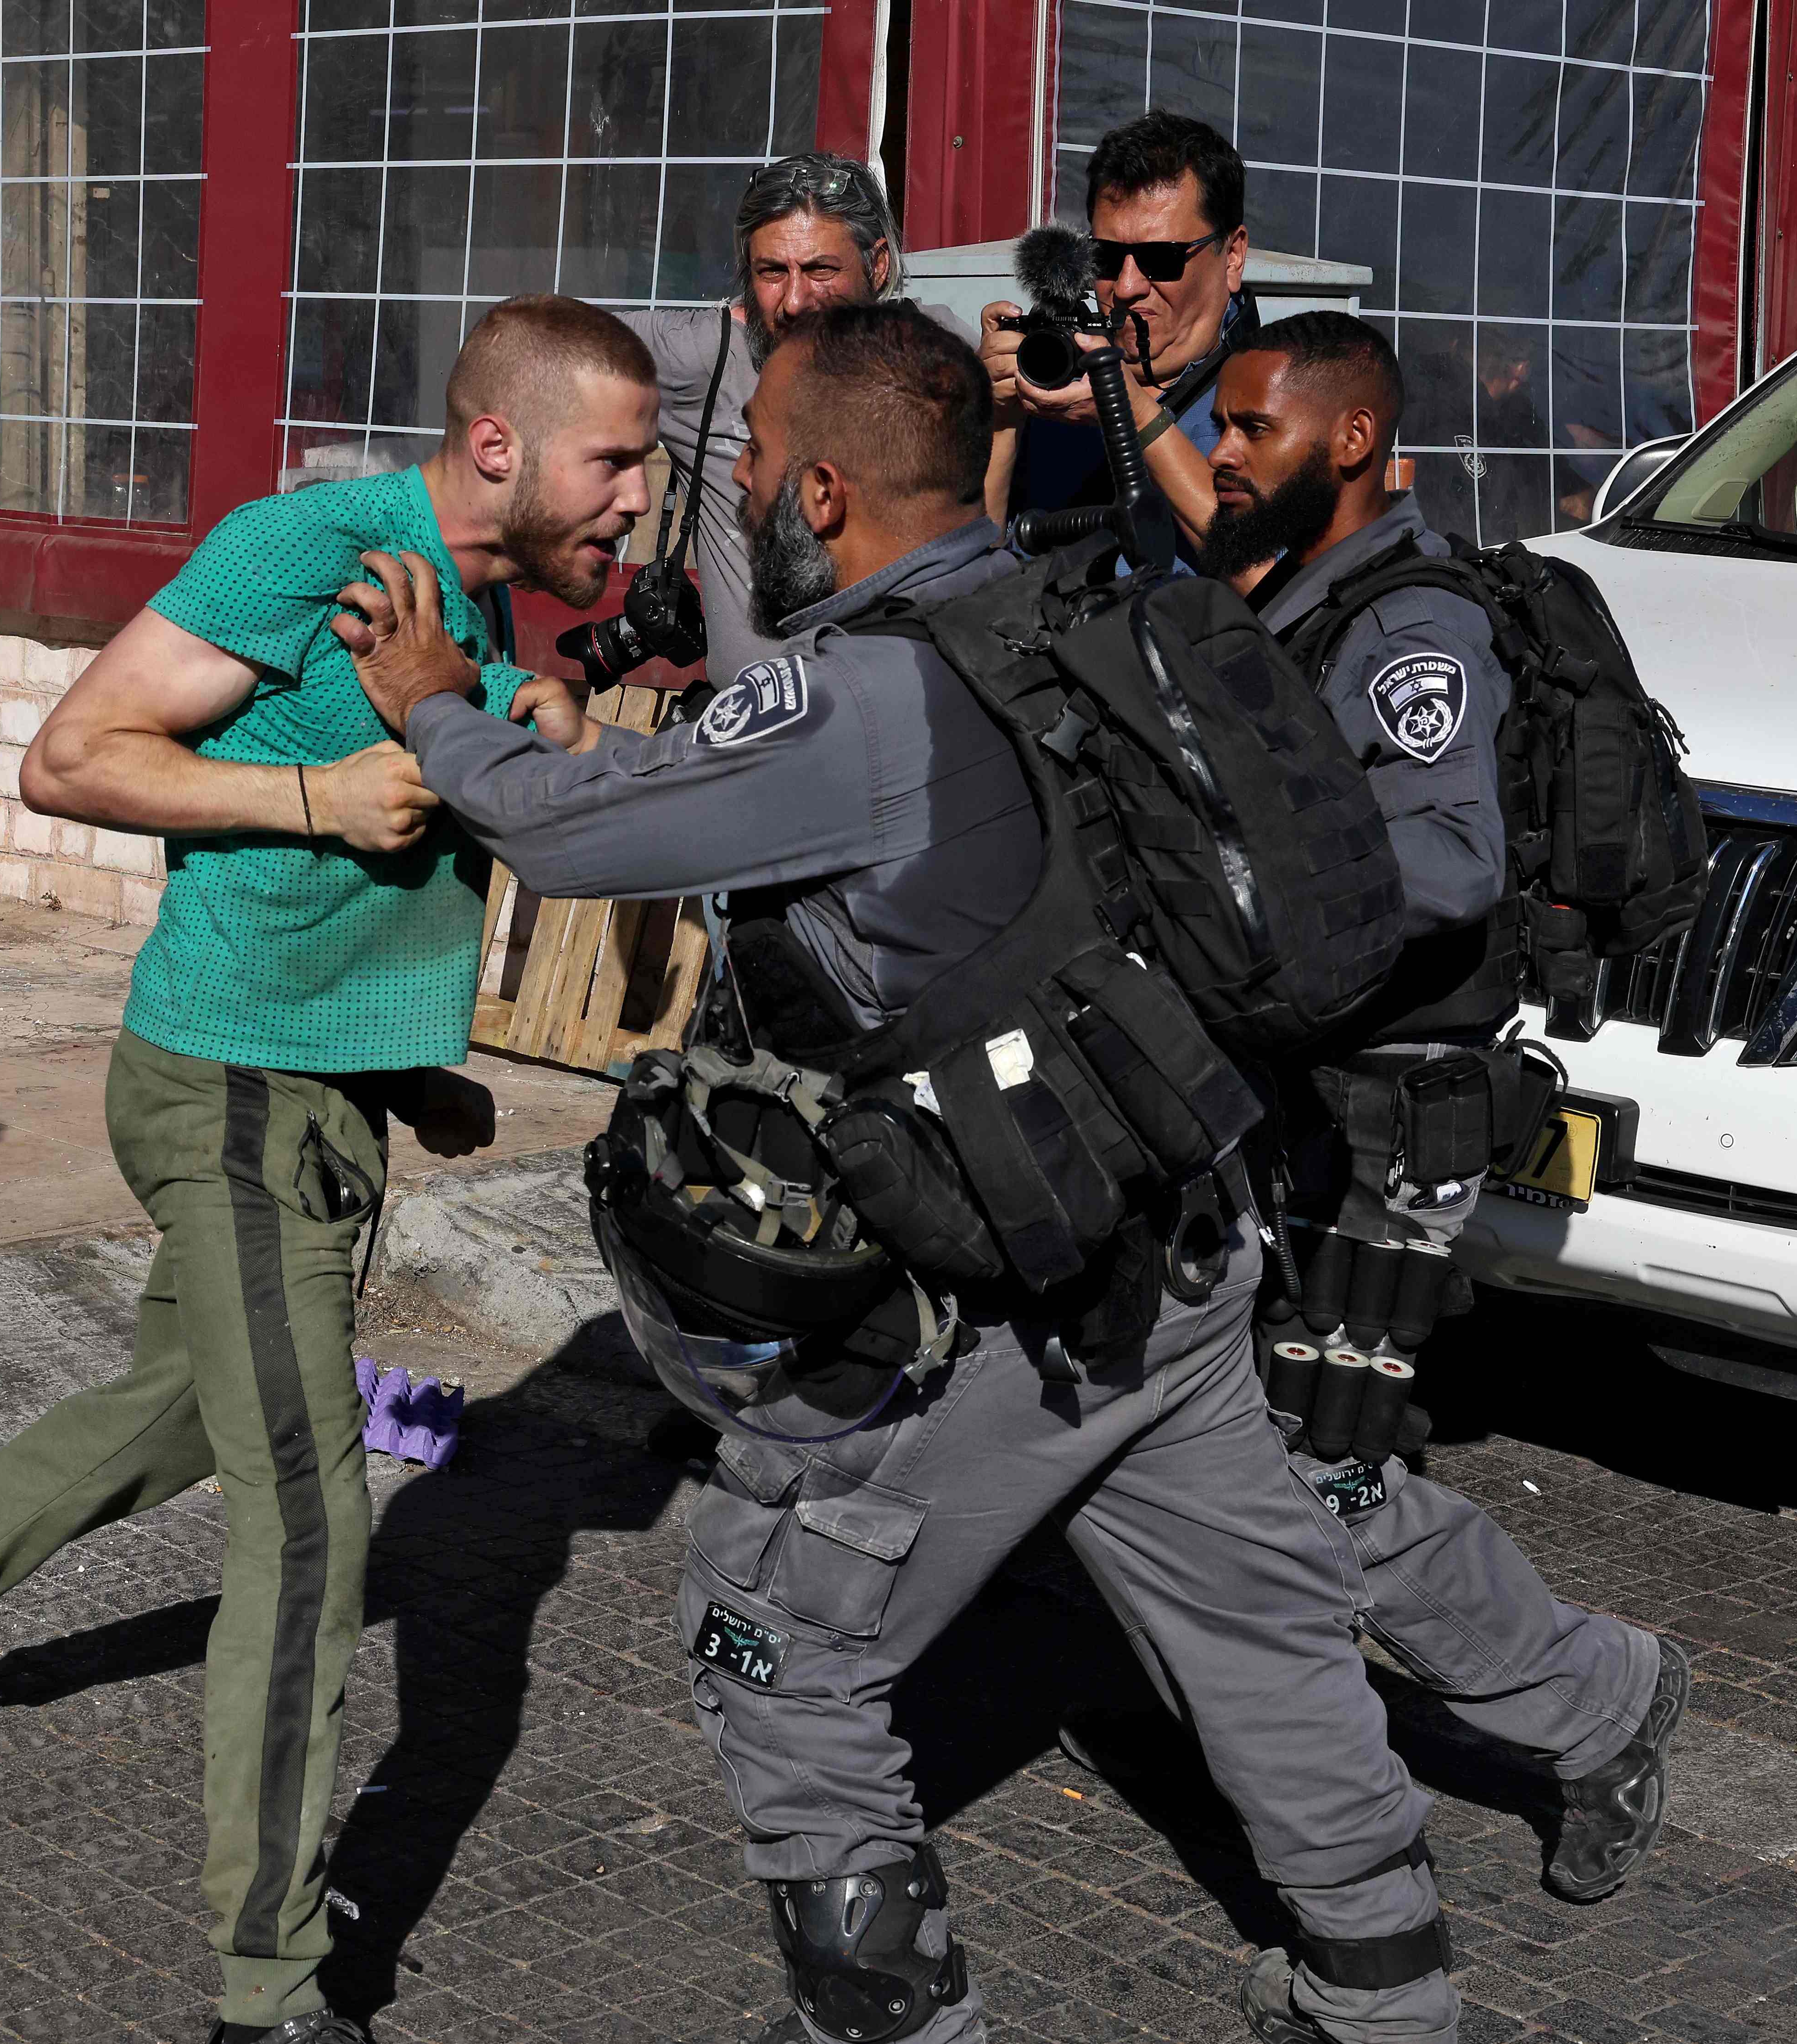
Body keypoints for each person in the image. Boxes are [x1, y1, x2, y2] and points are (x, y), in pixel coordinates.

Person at [331, 302, 1464, 2044]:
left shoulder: (857, 693)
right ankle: (1385, 1982)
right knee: (1259, 1625)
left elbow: (564, 830)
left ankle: (890, 2022)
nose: (745, 499)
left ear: (831, 494)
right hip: (1183, 1228)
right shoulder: (1079, 612)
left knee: (773, 1636)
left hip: (1013, 1285)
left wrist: (436, 705)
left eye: (761, 471)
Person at [0, 294, 657, 2044]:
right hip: (232, 1087)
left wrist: (413, 1068)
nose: (635, 494)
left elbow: (403, 832)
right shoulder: (309, 546)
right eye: (613, 458)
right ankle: (271, 1987)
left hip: (319, 1091)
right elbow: (74, 753)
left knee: (182, 1404)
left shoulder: (471, 596)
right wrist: (315, 801)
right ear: (498, 446)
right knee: (312, 1515)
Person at [1189, 310, 1686, 1900]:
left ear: (1342, 443)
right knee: (1224, 1438)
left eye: (1248, 427)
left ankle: (1597, 1698)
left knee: (1319, 1469)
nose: (1219, 453)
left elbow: (1449, 860)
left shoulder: (1410, 630)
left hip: (1390, 1117)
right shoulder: (1293, 594)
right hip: (1293, 1099)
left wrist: (1234, 900)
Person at [617, 153, 903, 690]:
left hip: (886, 724)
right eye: (772, 272)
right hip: (747, 734)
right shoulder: (711, 355)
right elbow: (533, 343)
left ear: (877, 265)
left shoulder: (934, 356)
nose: (795, 301)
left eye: (821, 269)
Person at [982, 110, 1254, 559]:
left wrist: (1130, 411)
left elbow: (1270, 574)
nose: (1127, 287)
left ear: (1233, 256)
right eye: (1105, 257)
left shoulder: (1282, 387)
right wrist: (1001, 423)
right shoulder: (1059, 379)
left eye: (1162, 259)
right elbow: (972, 579)